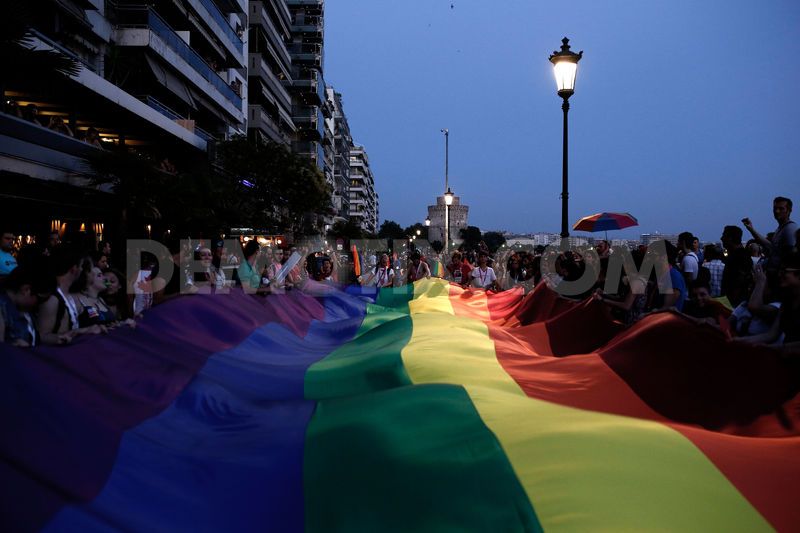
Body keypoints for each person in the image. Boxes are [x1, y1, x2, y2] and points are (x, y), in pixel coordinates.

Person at [743, 196, 797, 276]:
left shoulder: (789, 228)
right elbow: (771, 247)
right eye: (775, 208)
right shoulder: (781, 229)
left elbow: (791, 257)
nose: (777, 211)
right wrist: (751, 229)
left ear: (789, 211)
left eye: (781, 208)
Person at [0, 266, 42, 346]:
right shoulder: (2, 309)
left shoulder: (24, 309)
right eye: (39, 299)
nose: (39, 304)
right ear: (25, 290)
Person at [720, 225, 753, 307]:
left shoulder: (740, 257)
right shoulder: (739, 255)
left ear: (730, 238)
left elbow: (740, 280)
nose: (721, 238)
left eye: (723, 236)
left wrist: (730, 302)